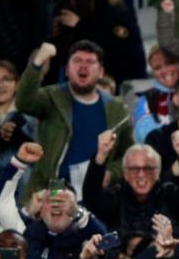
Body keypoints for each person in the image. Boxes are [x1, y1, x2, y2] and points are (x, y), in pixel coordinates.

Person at [16, 40, 132, 202]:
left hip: (96, 190)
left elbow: (127, 154)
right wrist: (37, 64)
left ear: (101, 72)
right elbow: (23, 102)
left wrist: (111, 174)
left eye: (90, 61)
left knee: (94, 226)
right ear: (67, 70)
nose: (83, 66)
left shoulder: (117, 109)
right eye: (77, 60)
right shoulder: (52, 96)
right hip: (56, 185)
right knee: (57, 220)